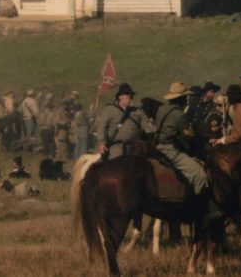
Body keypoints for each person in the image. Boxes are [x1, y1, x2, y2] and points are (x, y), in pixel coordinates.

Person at [155, 82, 220, 219]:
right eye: (186, 97)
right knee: (199, 174)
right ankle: (199, 208)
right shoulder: (180, 115)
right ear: (181, 98)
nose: (188, 99)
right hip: (170, 149)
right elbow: (187, 137)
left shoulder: (162, 108)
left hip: (157, 146)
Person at [93, 83, 150, 160]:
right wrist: (101, 143)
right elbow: (102, 126)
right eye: (127, 95)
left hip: (135, 146)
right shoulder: (110, 109)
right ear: (120, 97)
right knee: (116, 165)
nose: (130, 97)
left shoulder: (138, 112)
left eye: (131, 95)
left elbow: (147, 127)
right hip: (116, 146)